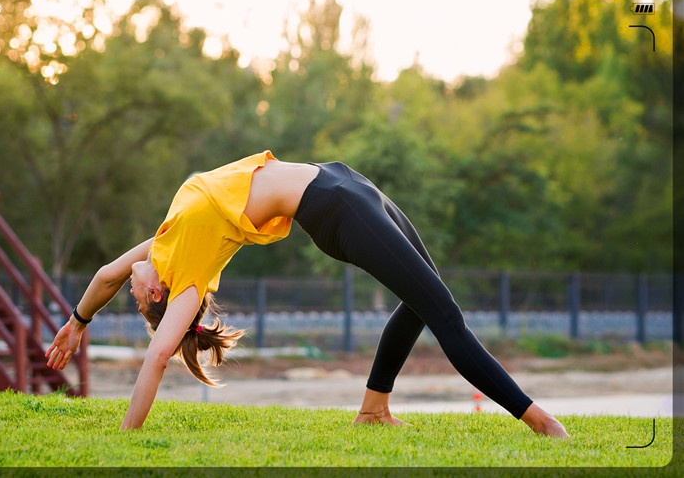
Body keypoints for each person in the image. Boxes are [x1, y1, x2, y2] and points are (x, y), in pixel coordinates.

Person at [45, 150, 569, 437]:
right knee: (445, 314)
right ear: (160, 294)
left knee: (425, 298)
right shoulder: (185, 280)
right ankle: (538, 420)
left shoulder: (163, 243)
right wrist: (128, 435)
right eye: (140, 304)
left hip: (345, 182)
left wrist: (78, 321)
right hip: (336, 211)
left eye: (136, 304)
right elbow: (157, 358)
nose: (132, 296)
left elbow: (106, 276)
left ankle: (373, 410)